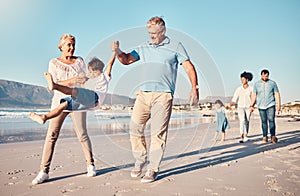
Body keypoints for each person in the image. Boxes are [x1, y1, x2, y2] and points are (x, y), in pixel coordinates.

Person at [111, 16, 199, 183]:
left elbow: (189, 67)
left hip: (163, 95)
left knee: (157, 134)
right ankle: (140, 160)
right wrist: (117, 51)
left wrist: (194, 87)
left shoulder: (175, 47)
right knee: (134, 128)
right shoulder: (143, 47)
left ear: (163, 31)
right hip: (143, 95)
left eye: (154, 33)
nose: (151, 36)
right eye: (149, 33)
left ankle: (152, 169)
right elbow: (126, 60)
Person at [31, 34, 97, 185]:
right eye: (68, 45)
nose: (72, 48)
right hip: (58, 102)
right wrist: (72, 81)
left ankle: (90, 165)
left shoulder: (79, 61)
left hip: (76, 101)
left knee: (82, 134)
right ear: (61, 46)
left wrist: (70, 82)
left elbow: (82, 81)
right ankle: (44, 171)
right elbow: (54, 83)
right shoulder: (53, 63)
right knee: (52, 136)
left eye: (73, 45)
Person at [29, 54, 115, 124]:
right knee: (64, 104)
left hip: (95, 98)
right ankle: (44, 117)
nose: (92, 74)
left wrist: (114, 51)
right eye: (91, 72)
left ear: (101, 70)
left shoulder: (105, 76)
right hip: (87, 102)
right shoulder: (90, 79)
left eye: (95, 72)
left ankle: (54, 86)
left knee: (75, 91)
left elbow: (110, 63)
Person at [250, 69, 281, 143]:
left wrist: (278, 104)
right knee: (263, 121)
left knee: (271, 120)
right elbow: (254, 95)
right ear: (261, 75)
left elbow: (276, 94)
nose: (265, 77)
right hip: (261, 105)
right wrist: (252, 105)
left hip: (271, 104)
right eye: (264, 76)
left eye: (267, 76)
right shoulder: (256, 84)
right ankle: (265, 136)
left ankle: (273, 136)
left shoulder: (272, 83)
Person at [229, 71, 253, 143]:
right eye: (241, 79)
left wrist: (252, 106)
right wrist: (231, 103)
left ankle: (246, 135)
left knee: (247, 121)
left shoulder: (251, 89)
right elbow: (235, 98)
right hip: (240, 107)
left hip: (248, 107)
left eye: (243, 79)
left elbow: (253, 98)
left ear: (247, 79)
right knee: (242, 121)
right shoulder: (239, 89)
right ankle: (241, 136)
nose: (242, 81)